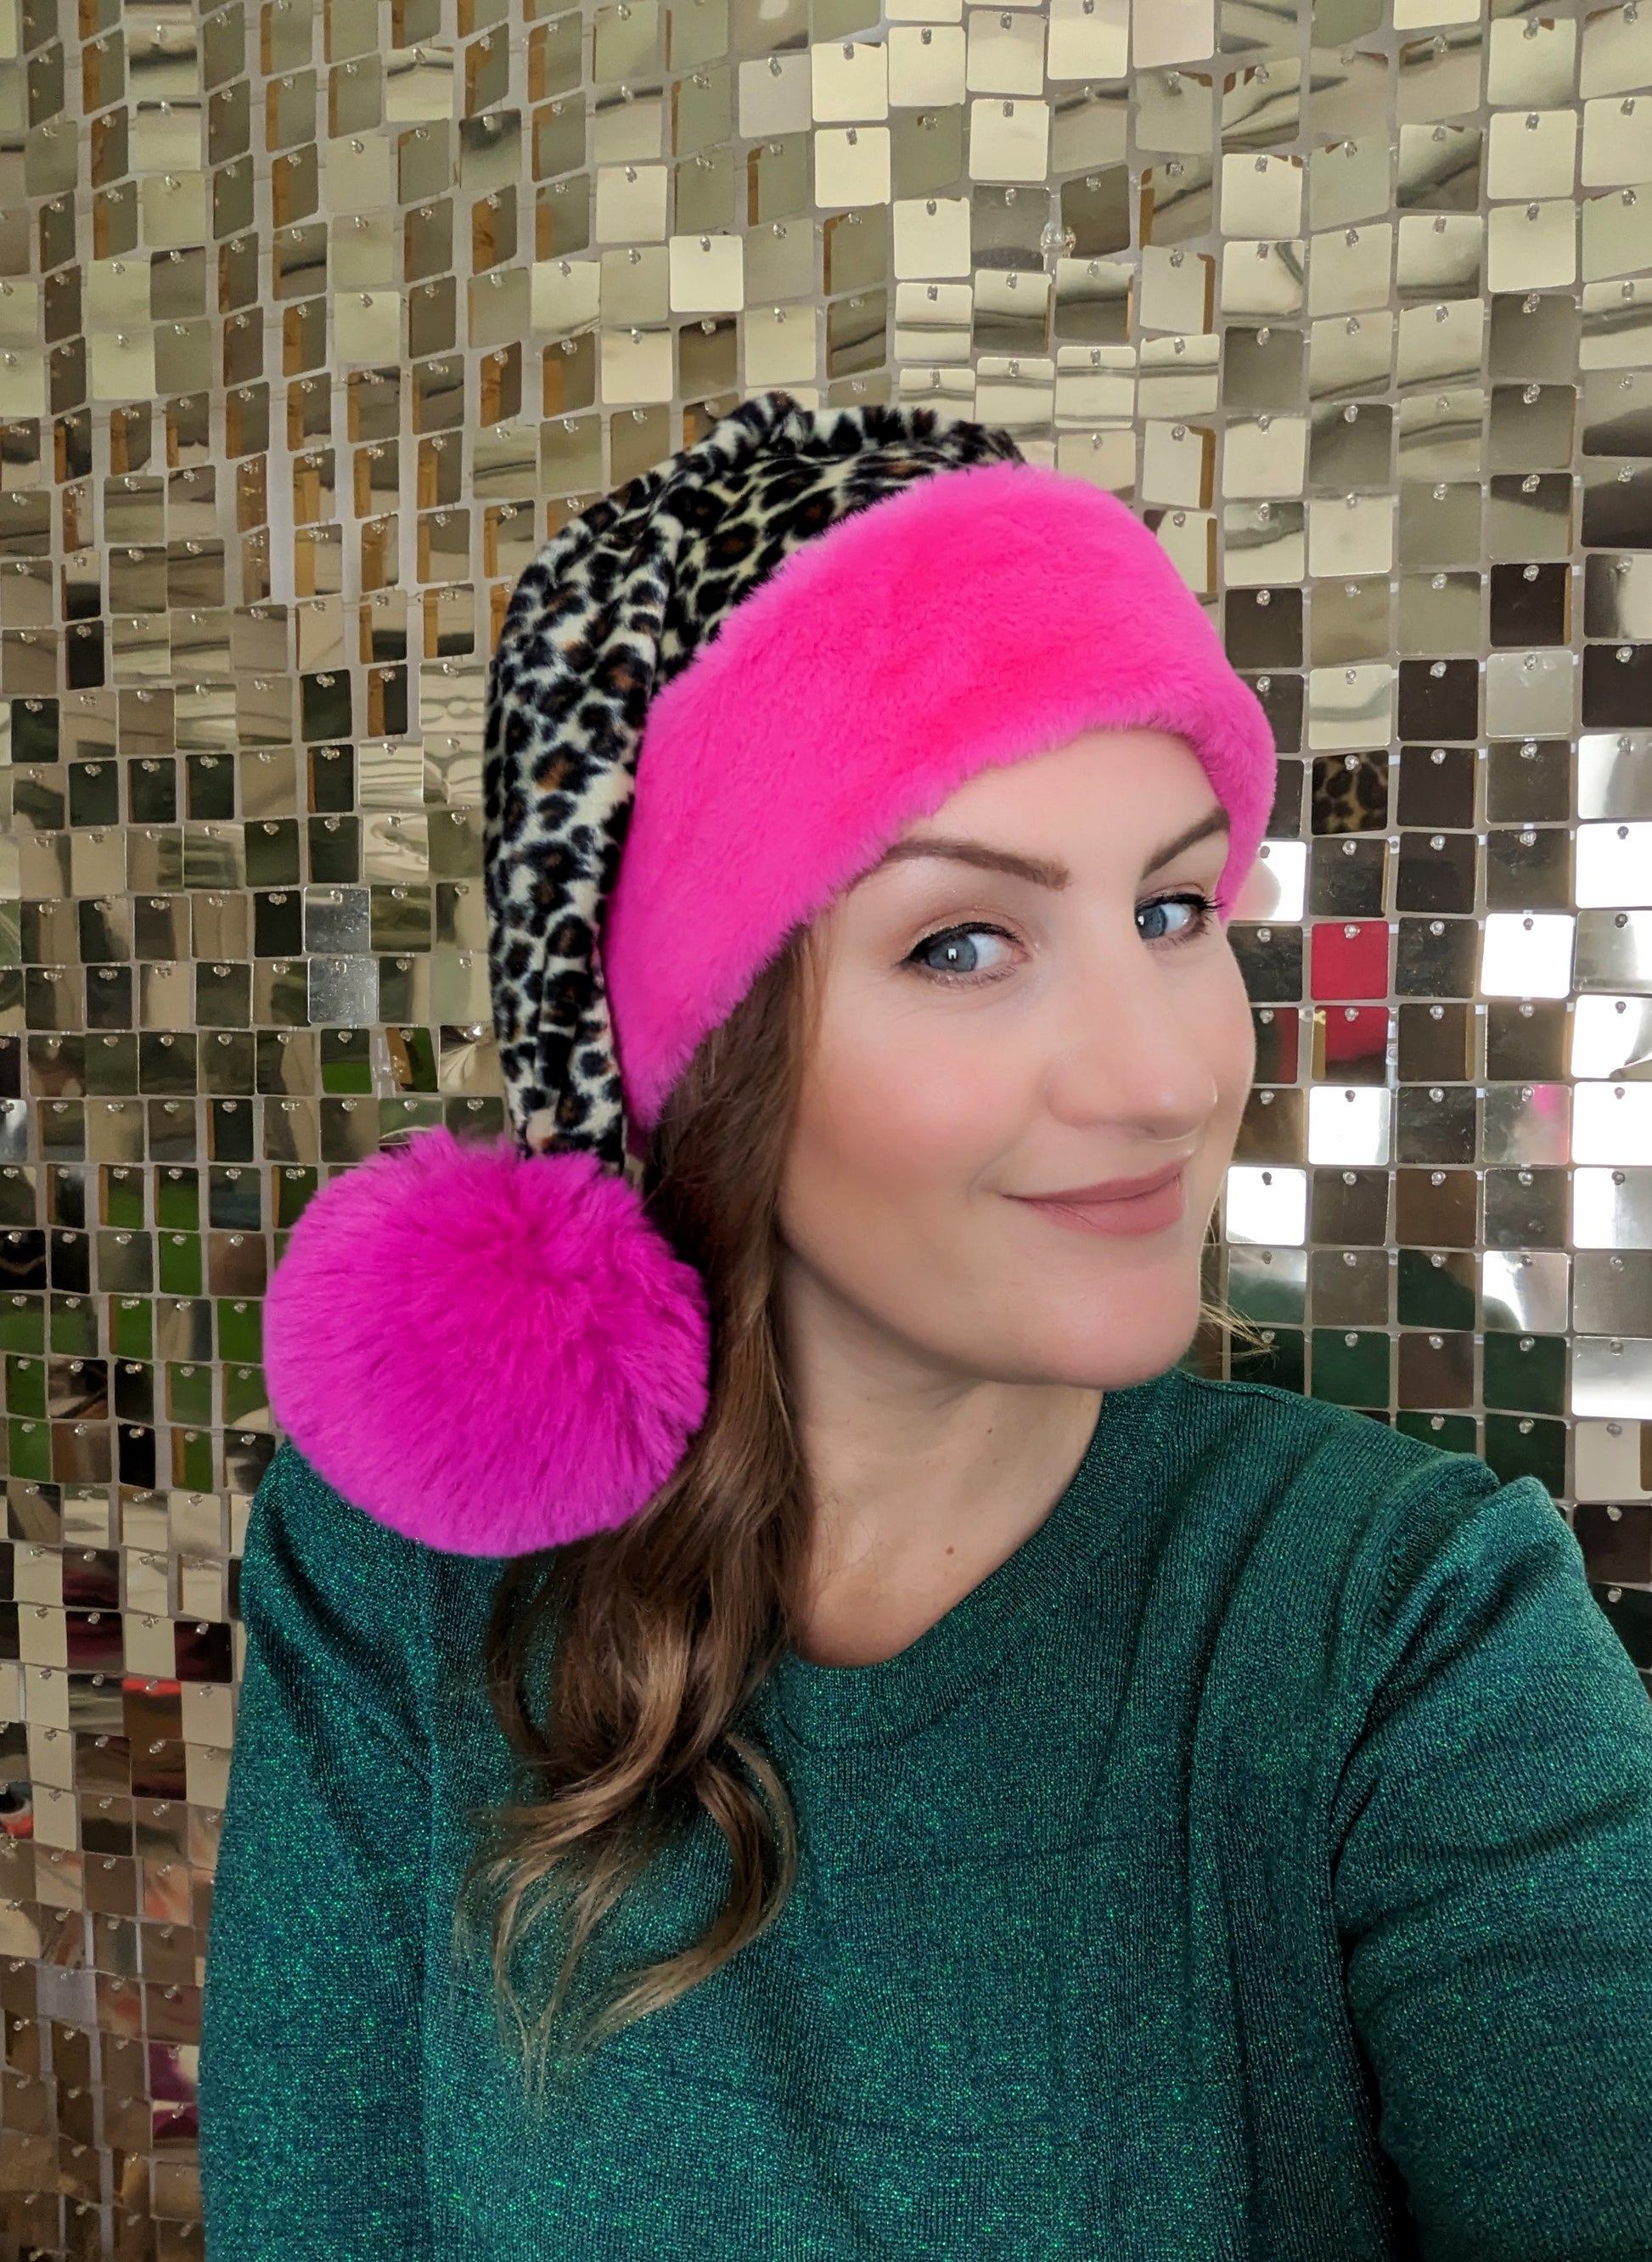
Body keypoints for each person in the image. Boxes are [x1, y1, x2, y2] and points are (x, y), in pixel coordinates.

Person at [196, 391, 1652, 2259]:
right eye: (962, 943)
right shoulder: (402, 1567)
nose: (1165, 1078)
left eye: (1175, 908)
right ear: (702, 1045)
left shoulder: (1408, 1634)